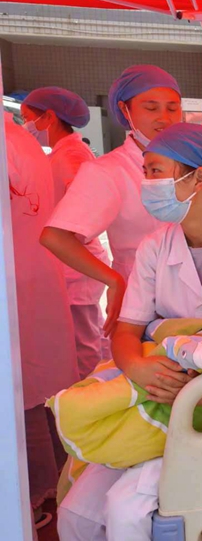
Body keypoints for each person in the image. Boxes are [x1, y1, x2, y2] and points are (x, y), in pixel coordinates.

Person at [57, 124, 202, 541]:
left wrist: (193, 391)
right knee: (76, 516)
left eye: (155, 171)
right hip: (154, 392)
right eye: (145, 172)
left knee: (126, 509)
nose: (146, 183)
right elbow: (127, 330)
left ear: (199, 178)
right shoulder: (154, 249)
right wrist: (136, 367)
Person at [40, 65, 182, 338]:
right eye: (151, 108)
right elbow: (55, 236)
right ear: (125, 110)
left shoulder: (189, 160)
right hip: (142, 300)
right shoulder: (109, 171)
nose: (164, 118)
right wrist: (113, 279)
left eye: (172, 108)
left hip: (197, 297)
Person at [5, 113, 79, 530]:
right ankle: (48, 482)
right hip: (37, 272)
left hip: (24, 277)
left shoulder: (13, 142)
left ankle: (34, 494)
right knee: (37, 385)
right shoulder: (22, 139)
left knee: (29, 388)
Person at [22, 87, 112, 376]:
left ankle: (88, 394)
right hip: (69, 262)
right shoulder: (61, 152)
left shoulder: (72, 154)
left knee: (85, 342)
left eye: (28, 118)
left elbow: (87, 203)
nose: (26, 126)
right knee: (83, 336)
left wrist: (69, 233)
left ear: (49, 117)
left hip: (77, 265)